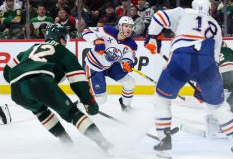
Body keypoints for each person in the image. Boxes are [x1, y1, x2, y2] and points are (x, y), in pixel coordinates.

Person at [144, 0, 233, 158]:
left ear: (193, 5)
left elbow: (158, 17)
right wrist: (203, 86)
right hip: (207, 64)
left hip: (181, 57)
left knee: (161, 100)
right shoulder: (216, 26)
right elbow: (215, 60)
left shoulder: (183, 12)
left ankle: (164, 140)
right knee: (217, 107)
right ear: (209, 9)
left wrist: (151, 37)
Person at [3, 24, 113, 152]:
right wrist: (88, 101)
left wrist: (21, 82)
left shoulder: (30, 49)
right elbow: (78, 81)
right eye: (65, 39)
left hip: (16, 89)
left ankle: (66, 143)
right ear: (60, 38)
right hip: (40, 82)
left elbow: (7, 71)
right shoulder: (64, 53)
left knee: (41, 111)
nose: (66, 42)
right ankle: (104, 144)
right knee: (72, 113)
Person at [82, 16, 137, 111]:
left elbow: (128, 57)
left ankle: (125, 106)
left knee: (129, 83)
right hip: (94, 65)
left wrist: (128, 64)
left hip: (110, 65)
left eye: (131, 27)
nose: (129, 29)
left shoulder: (131, 44)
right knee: (101, 99)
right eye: (126, 26)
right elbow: (86, 31)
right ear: (120, 26)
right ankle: (80, 105)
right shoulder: (107, 30)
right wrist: (96, 41)